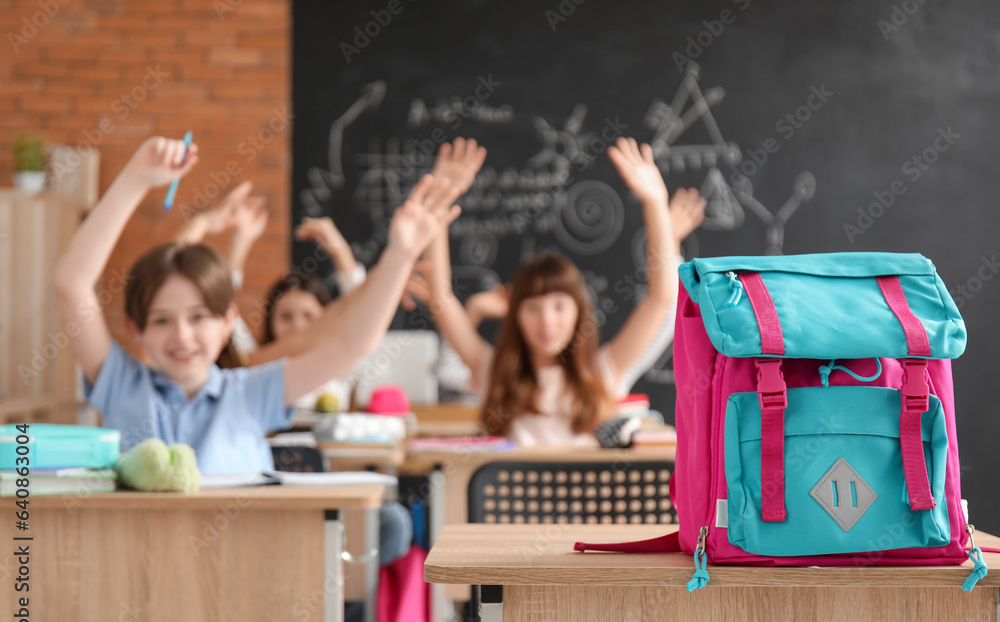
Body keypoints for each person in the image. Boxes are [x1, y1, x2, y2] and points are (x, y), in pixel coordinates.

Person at [52, 135, 461, 474]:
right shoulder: (122, 384)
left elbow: (351, 345)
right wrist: (135, 180)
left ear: (229, 321)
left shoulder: (251, 391)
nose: (182, 335)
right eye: (161, 320)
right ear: (135, 328)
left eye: (199, 317)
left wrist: (400, 254)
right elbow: (71, 284)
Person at [420, 137, 705, 446]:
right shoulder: (495, 373)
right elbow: (441, 299)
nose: (546, 321)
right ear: (515, 316)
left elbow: (661, 299)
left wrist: (654, 204)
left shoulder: (603, 374)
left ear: (579, 312)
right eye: (532, 308)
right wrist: (439, 199)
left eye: (559, 306)